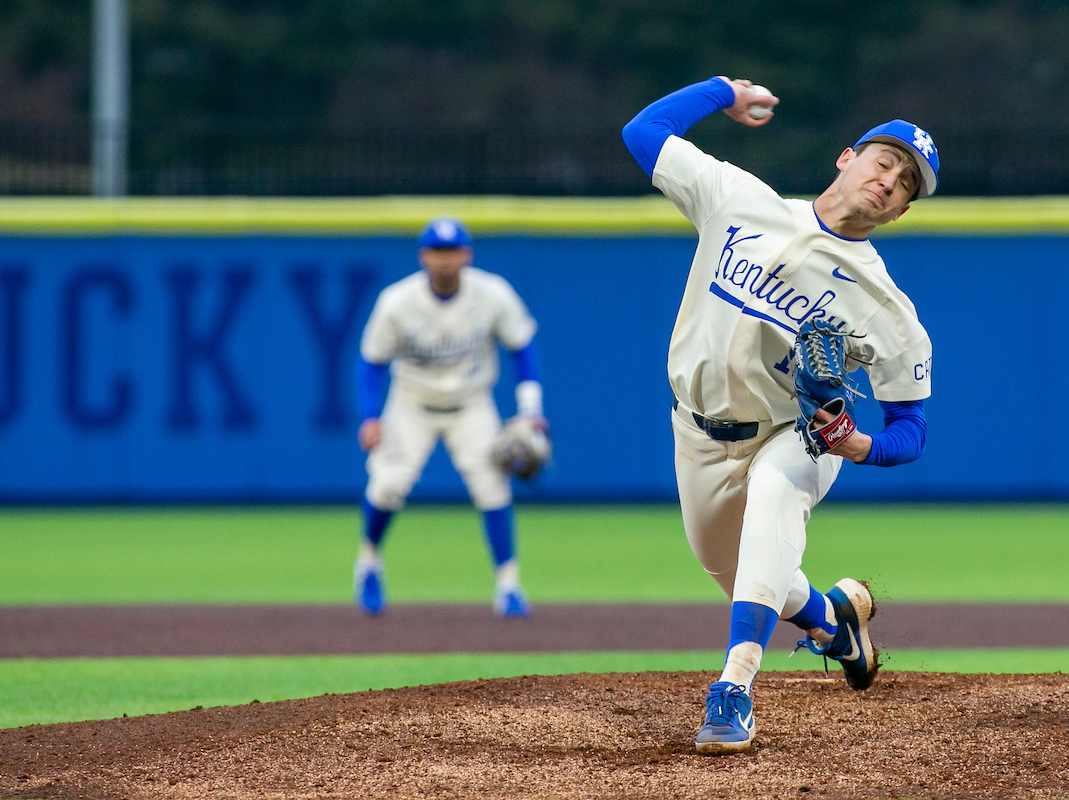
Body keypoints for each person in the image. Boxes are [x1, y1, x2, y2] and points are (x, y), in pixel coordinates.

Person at [622, 77, 936, 754]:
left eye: (906, 182)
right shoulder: (739, 198)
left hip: (791, 437)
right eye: (884, 161)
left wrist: (857, 444)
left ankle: (733, 689)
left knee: (773, 496)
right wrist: (720, 92)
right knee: (737, 571)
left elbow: (911, 429)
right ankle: (833, 622)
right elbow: (642, 133)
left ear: (903, 211)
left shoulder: (887, 307)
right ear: (845, 158)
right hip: (696, 430)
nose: (889, 181)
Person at [353, 216, 547, 618]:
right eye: (437, 251)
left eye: (452, 251)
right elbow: (370, 362)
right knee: (387, 485)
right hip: (411, 404)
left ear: (467, 254)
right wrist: (370, 416)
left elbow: (523, 348)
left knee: (493, 487)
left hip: (472, 405)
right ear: (424, 256)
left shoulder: (492, 294)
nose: (445, 260)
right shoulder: (397, 302)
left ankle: (508, 585)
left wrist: (531, 410)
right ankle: (369, 562)